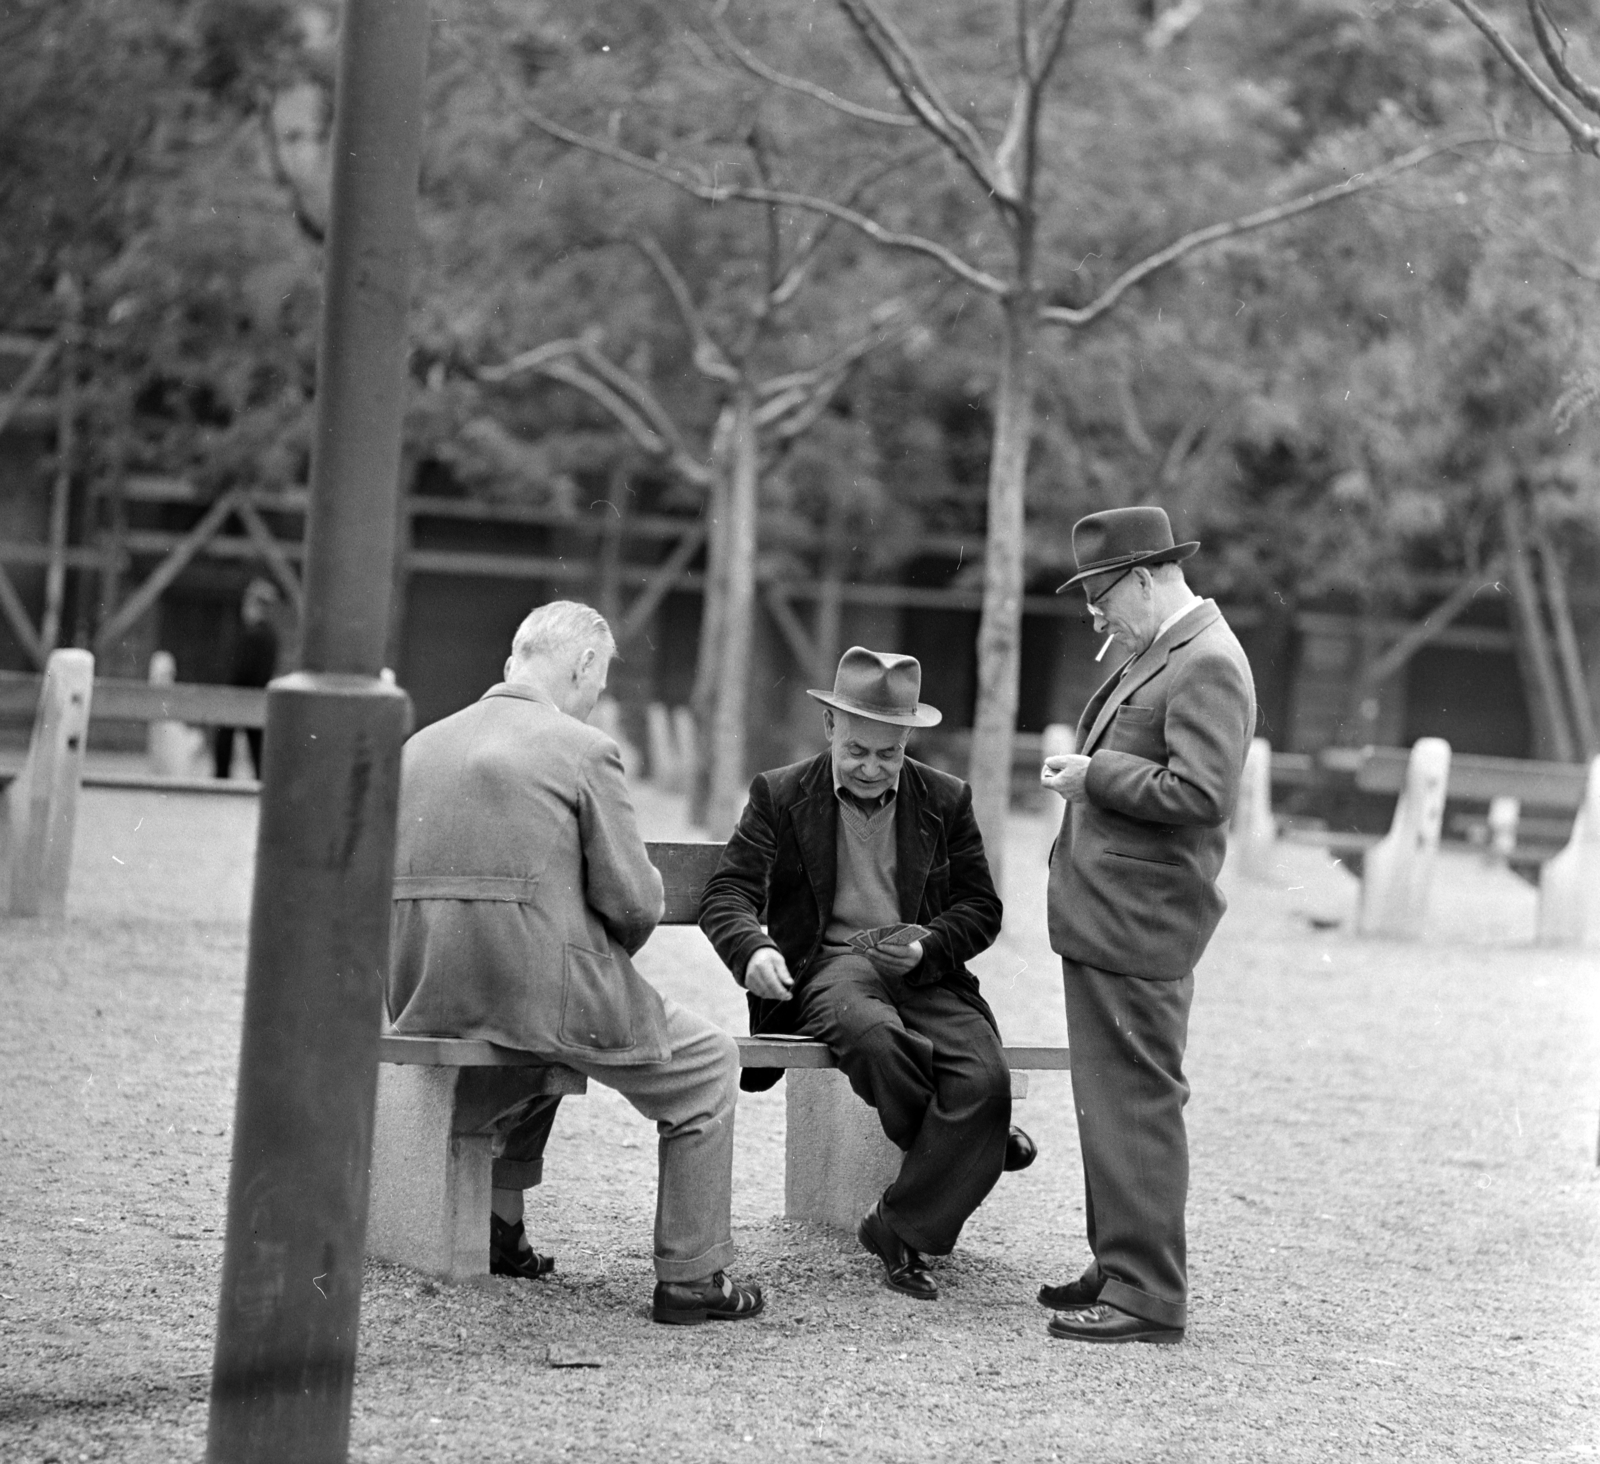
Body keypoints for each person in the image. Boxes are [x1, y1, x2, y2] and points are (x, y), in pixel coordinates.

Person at [385, 600, 764, 1325]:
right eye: (599, 680)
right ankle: (692, 1276)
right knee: (710, 1064)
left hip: (423, 988)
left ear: (513, 661)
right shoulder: (582, 748)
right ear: (583, 664)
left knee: (538, 1038)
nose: (596, 697)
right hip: (537, 992)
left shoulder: (420, 745)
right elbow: (635, 903)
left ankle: (503, 1226)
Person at [699, 646, 1033, 1302]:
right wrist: (754, 951)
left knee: (986, 1080)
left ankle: (898, 1225)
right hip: (829, 969)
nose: (873, 767)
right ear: (829, 728)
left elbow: (981, 908)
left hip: (922, 968)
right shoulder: (780, 794)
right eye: (857, 750)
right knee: (874, 1035)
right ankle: (976, 1148)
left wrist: (933, 943)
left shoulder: (946, 799)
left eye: (890, 753)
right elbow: (727, 894)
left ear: (908, 740)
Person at [1038, 507, 1255, 1345]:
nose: (1094, 614)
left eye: (1099, 594)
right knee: (1109, 1097)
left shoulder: (1206, 662)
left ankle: (1149, 1294)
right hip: (1111, 916)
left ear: (1141, 577)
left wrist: (1099, 777)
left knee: (1136, 1102)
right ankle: (1120, 1261)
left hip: (1142, 920)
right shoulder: (1164, 651)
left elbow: (1202, 795)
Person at [212, 577, 280, 779]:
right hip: (258, 694)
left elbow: (243, 670)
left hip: (244, 695)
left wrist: (229, 687)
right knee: (257, 743)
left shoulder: (256, 635)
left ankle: (221, 778)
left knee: (226, 736)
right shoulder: (270, 635)